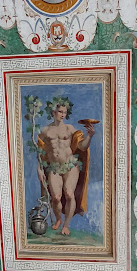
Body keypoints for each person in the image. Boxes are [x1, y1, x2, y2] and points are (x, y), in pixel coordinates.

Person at [37, 97, 95, 235]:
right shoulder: (45, 131)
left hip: (70, 165)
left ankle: (66, 225)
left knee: (69, 194)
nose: (63, 114)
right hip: (54, 167)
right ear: (53, 112)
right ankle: (58, 219)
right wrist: (39, 169)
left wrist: (89, 136)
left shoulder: (69, 129)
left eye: (64, 112)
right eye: (60, 111)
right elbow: (40, 152)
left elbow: (82, 147)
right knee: (56, 197)